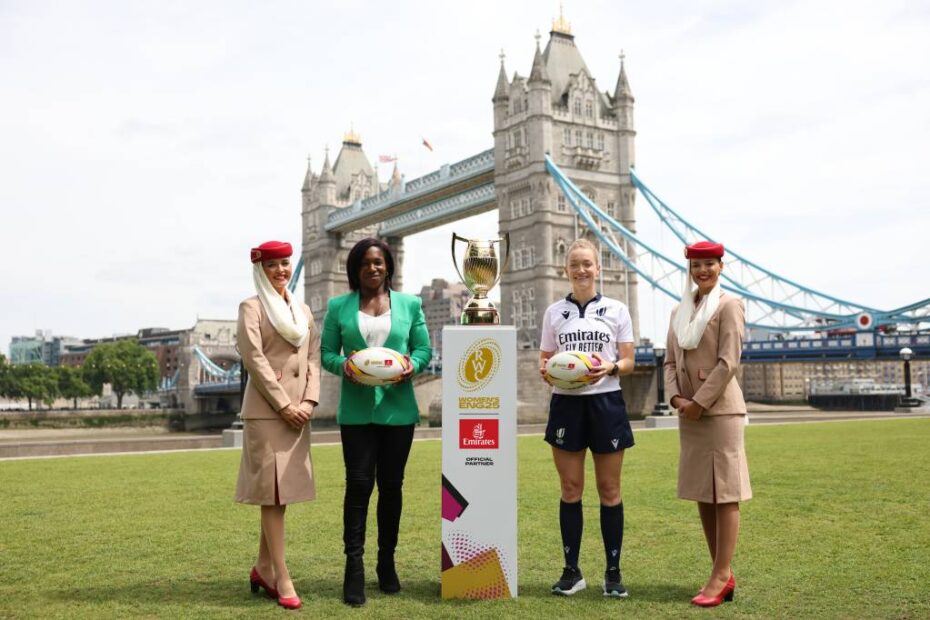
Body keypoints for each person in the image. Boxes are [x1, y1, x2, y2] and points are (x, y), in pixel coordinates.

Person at [321, 237, 431, 607]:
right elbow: (325, 354)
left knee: (392, 486)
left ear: (389, 266)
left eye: (380, 262)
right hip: (355, 412)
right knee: (358, 485)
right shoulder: (338, 307)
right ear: (355, 268)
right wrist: (346, 368)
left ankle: (387, 562)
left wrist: (410, 366)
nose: (373, 268)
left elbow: (423, 349)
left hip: (399, 411)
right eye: (366, 262)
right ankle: (354, 567)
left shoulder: (410, 304)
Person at [538, 238, 636, 598]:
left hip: (605, 401)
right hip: (566, 404)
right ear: (567, 270)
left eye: (587, 264)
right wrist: (550, 372)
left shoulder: (617, 309)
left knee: (609, 489)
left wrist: (611, 366)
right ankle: (572, 572)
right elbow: (545, 361)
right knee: (570, 489)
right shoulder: (554, 313)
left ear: (598, 268)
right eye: (575, 264)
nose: (581, 270)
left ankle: (613, 573)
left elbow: (628, 361)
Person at [664, 240, 752, 607]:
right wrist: (676, 400)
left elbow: (728, 361)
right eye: (697, 264)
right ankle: (721, 572)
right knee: (703, 492)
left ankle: (720, 574)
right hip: (690, 413)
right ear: (689, 269)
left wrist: (699, 402)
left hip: (719, 412)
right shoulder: (678, 311)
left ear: (721, 266)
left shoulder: (730, 305)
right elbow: (670, 363)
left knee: (725, 493)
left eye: (709, 264)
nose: (703, 270)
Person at [234, 240, 320, 610]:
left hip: (298, 411)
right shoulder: (251, 308)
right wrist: (285, 404)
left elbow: (312, 359)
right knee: (272, 494)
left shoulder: (303, 311)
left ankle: (263, 567)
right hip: (268, 411)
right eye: (272, 265)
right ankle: (282, 577)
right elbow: (254, 359)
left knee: (280, 496)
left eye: (285, 263)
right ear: (260, 269)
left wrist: (309, 401)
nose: (281, 270)